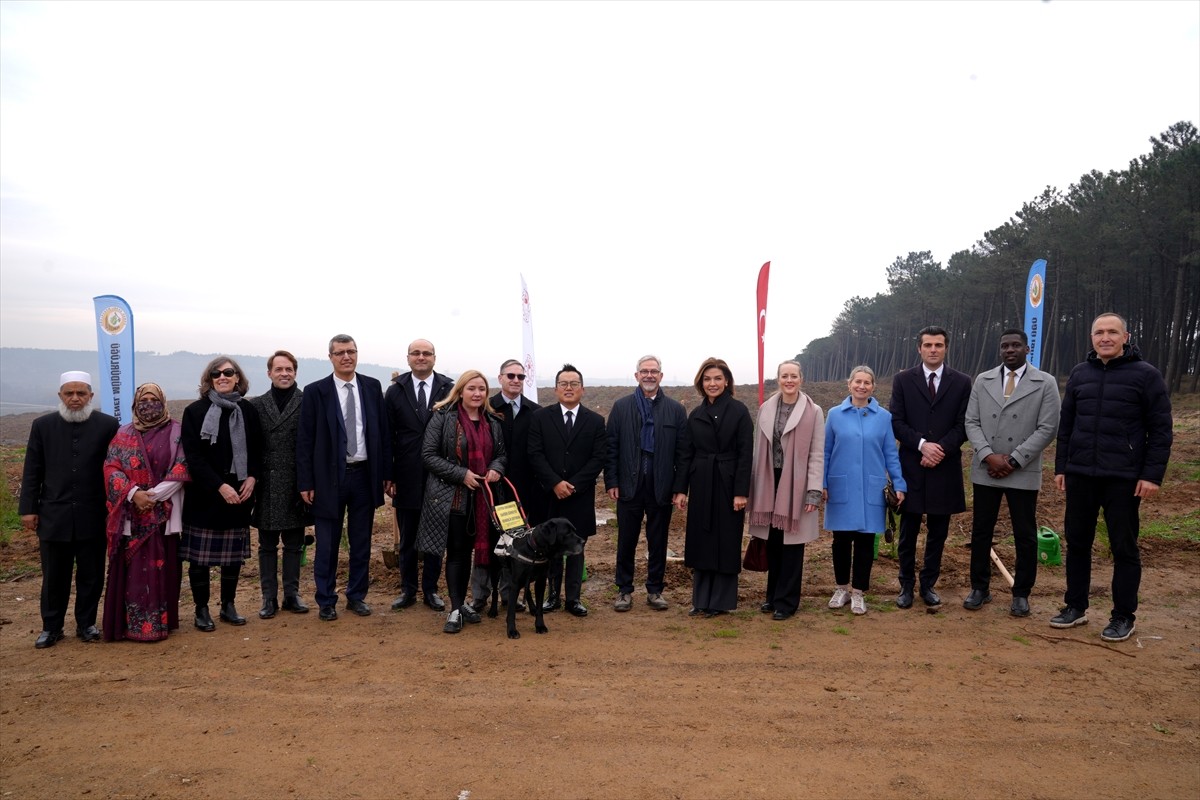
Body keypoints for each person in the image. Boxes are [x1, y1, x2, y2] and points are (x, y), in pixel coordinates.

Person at [1051, 313, 1173, 642]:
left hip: (1123, 478)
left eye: (1112, 332)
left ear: (1125, 336)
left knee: (1123, 547)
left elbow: (1161, 430)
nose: (1105, 337)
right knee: (1077, 543)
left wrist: (1151, 475)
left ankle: (1123, 616)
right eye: (1099, 332)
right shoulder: (1079, 374)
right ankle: (1074, 607)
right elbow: (1067, 425)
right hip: (1080, 475)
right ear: (1091, 337)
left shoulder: (1146, 376)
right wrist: (1062, 466)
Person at [19, 371, 119, 649]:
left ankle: (86, 624)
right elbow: (32, 470)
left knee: (91, 573)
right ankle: (51, 627)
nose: (75, 398)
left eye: (81, 393)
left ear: (91, 396)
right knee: (54, 576)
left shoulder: (108, 425)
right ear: (60, 396)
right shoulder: (43, 426)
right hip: (54, 515)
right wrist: (28, 509)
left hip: (94, 515)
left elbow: (115, 470)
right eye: (69, 393)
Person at [964, 330, 1060, 616]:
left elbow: (1048, 427)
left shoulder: (1045, 383)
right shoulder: (983, 380)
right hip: (986, 470)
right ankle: (979, 588)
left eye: (1015, 345)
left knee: (1025, 534)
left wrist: (1014, 460)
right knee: (981, 531)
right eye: (1005, 345)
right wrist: (988, 456)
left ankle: (1021, 593)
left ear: (1026, 348)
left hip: (1023, 470)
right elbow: (971, 421)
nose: (1010, 350)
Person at [297, 334, 393, 621]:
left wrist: (387, 473)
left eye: (351, 351)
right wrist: (306, 482)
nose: (346, 357)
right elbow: (305, 439)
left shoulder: (372, 387)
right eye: (340, 353)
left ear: (357, 354)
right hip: (328, 479)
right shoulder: (316, 391)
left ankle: (356, 596)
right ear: (331, 357)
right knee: (327, 544)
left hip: (364, 475)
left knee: (361, 541)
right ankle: (326, 600)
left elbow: (384, 433)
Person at [413, 371, 507, 633]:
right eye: (471, 388)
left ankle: (465, 601)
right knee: (457, 554)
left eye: (482, 389)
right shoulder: (443, 418)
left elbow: (501, 454)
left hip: (484, 499)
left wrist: (496, 469)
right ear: (460, 391)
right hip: (453, 498)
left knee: (477, 552)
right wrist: (461, 474)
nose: (477, 394)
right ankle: (455, 609)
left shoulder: (493, 421)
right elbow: (428, 455)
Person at [889, 325, 971, 608]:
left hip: (945, 467)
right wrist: (922, 444)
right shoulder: (903, 381)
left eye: (938, 345)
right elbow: (897, 422)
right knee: (908, 532)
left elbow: (964, 424)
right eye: (928, 345)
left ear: (946, 348)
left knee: (938, 532)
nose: (933, 350)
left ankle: (928, 585)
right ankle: (906, 586)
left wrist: (941, 449)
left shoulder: (962, 382)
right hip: (912, 465)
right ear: (919, 348)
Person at [180, 356, 263, 631]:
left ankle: (228, 605)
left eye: (228, 372)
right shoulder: (194, 411)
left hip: (239, 493)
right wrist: (219, 486)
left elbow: (258, 450)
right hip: (205, 495)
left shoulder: (248, 412)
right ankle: (201, 610)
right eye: (217, 373)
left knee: (231, 558)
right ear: (210, 379)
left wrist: (252, 476)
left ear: (238, 377)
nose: (222, 376)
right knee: (199, 561)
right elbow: (194, 457)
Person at [102, 383, 189, 642]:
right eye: (144, 399)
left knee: (164, 569)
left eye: (154, 399)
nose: (149, 404)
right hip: (131, 514)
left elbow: (182, 468)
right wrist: (133, 494)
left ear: (163, 402)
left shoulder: (176, 432)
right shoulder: (123, 434)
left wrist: (151, 497)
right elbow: (111, 467)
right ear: (135, 403)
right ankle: (129, 624)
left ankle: (161, 623)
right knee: (132, 573)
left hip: (163, 513)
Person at [605, 355, 688, 613]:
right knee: (626, 540)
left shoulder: (675, 410)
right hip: (629, 486)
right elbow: (611, 448)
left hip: (661, 486)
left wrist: (679, 488)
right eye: (644, 371)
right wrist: (612, 481)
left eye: (654, 371)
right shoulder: (621, 407)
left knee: (658, 540)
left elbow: (683, 453)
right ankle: (624, 590)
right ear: (636, 376)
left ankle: (654, 590)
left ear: (661, 376)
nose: (649, 375)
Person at [823, 366, 906, 616]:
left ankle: (859, 592)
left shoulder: (883, 417)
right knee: (840, 541)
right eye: (857, 381)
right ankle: (841, 589)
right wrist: (822, 483)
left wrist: (899, 483)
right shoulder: (834, 414)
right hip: (841, 486)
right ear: (849, 384)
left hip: (872, 487)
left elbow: (890, 453)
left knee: (865, 542)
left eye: (867, 382)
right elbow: (825, 451)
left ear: (873, 386)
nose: (862, 386)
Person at [673, 357, 753, 618]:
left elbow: (745, 453)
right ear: (701, 383)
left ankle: (720, 602)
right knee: (701, 541)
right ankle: (701, 600)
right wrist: (681, 489)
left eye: (717, 378)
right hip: (702, 483)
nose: (712, 383)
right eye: (707, 379)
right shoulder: (695, 415)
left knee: (726, 541)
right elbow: (685, 454)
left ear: (727, 381)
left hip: (729, 484)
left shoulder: (739, 411)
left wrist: (741, 491)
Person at [528, 363, 607, 617]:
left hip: (579, 496)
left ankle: (573, 598)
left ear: (582, 389)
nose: (569, 388)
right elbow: (535, 453)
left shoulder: (595, 421)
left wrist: (573, 485)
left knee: (576, 548)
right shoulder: (540, 417)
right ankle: (552, 597)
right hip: (548, 494)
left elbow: (598, 458)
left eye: (574, 384)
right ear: (555, 389)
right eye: (564, 384)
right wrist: (554, 483)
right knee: (550, 548)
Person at [747, 360, 824, 620]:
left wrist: (814, 490)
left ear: (801, 378)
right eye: (784, 376)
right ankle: (772, 596)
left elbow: (816, 454)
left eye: (793, 376)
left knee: (793, 544)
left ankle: (787, 602)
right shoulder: (765, 408)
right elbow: (759, 450)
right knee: (773, 542)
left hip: (797, 483)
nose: (789, 380)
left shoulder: (814, 411)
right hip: (770, 480)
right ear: (778, 379)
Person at [469, 358, 544, 612]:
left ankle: (508, 594)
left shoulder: (535, 412)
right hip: (489, 489)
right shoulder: (487, 410)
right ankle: (480, 595)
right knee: (485, 541)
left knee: (514, 544)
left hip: (520, 491)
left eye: (520, 377)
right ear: (500, 378)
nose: (515, 380)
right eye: (510, 376)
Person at [386, 339, 453, 612]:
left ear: (435, 358)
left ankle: (431, 591)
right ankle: (408, 590)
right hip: (406, 474)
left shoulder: (448, 388)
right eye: (416, 353)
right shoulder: (395, 391)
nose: (421, 357)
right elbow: (387, 436)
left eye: (427, 353)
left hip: (440, 475)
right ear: (408, 358)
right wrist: (388, 475)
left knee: (436, 537)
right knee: (408, 539)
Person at [249, 350, 310, 618]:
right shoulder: (256, 405)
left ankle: (292, 595)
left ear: (295, 372)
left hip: (298, 484)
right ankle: (268, 598)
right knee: (267, 545)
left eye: (289, 369)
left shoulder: (307, 402)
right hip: (266, 483)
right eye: (279, 369)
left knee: (295, 544)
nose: (284, 374)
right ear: (269, 373)